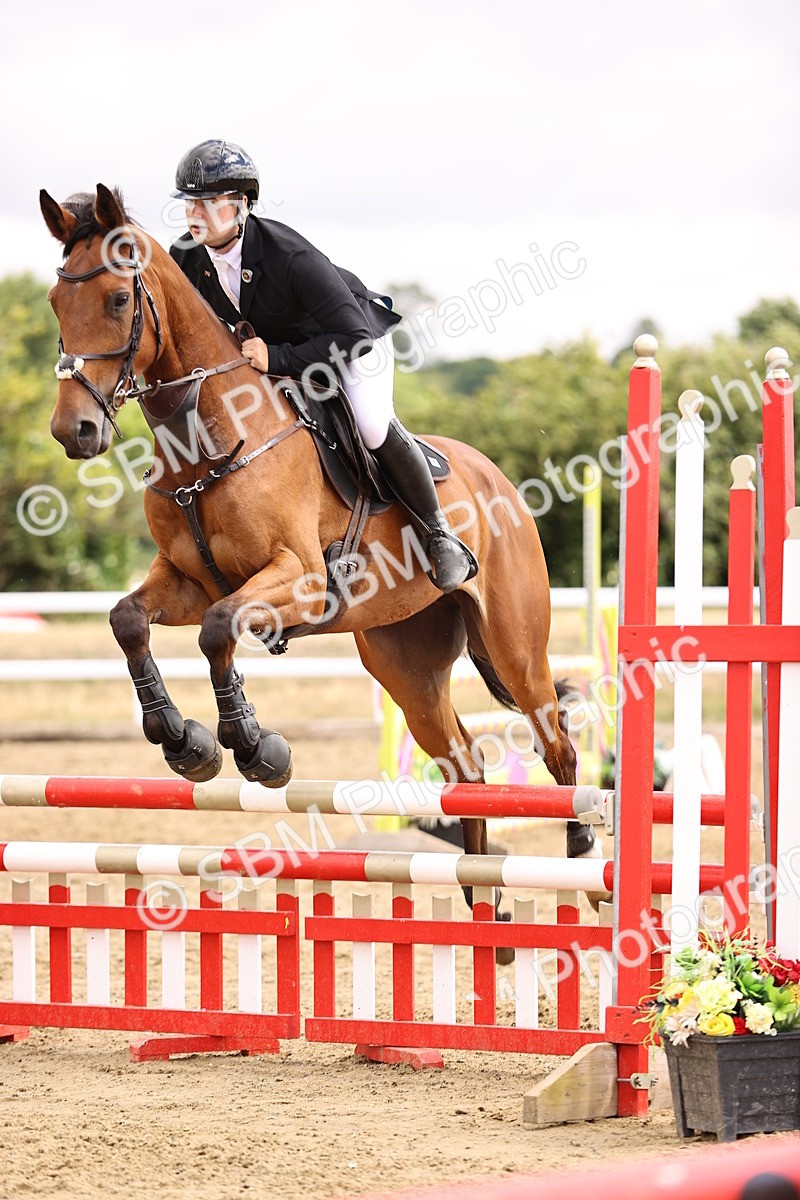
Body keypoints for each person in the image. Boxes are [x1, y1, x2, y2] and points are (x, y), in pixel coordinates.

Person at [169, 139, 476, 593]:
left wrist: (278, 358)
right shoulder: (186, 258)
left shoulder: (288, 256)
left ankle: (438, 534)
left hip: (350, 345)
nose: (195, 214)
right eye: (190, 203)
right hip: (272, 357)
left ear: (241, 205)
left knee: (371, 426)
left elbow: (352, 336)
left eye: (209, 202)